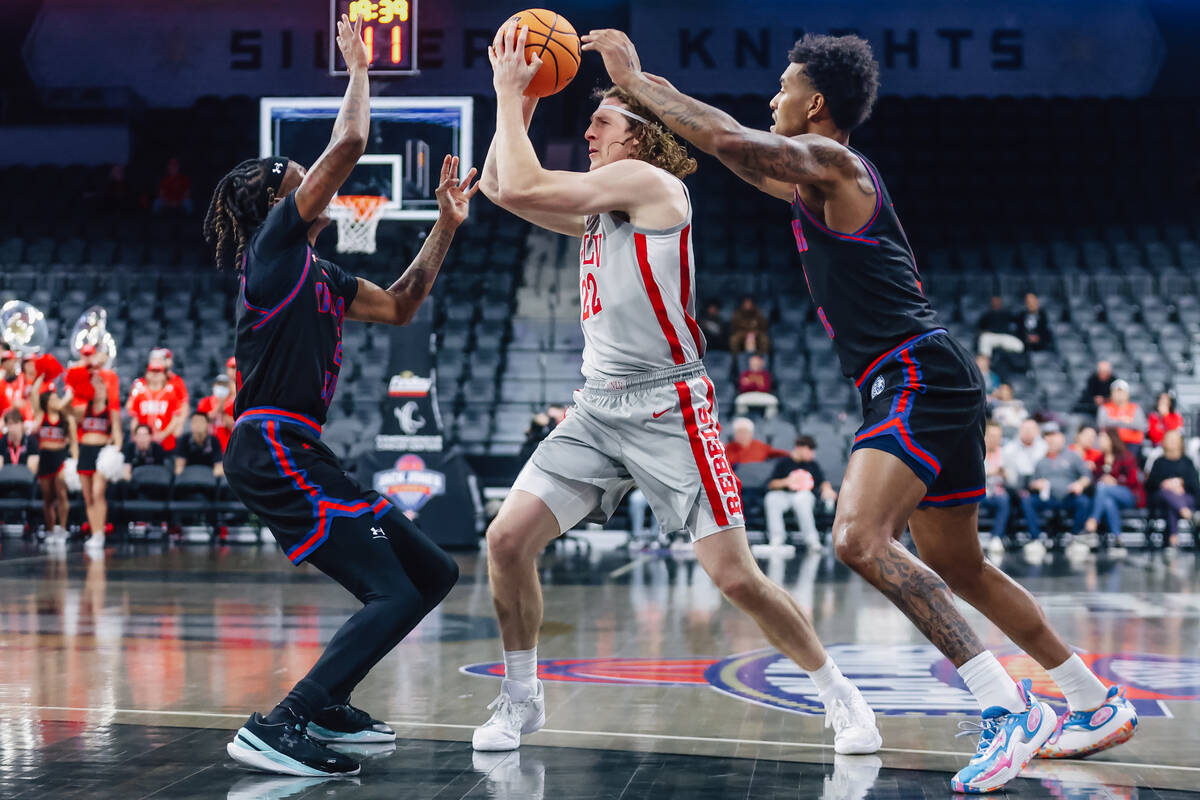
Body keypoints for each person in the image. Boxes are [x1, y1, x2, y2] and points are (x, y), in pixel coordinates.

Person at [583, 28, 1138, 791]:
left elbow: (721, 137)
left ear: (814, 103)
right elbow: (732, 150)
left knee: (857, 538)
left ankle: (1008, 709)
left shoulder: (835, 163)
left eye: (783, 88)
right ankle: (1090, 699)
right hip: (929, 374)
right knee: (958, 565)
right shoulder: (815, 180)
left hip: (912, 372)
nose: (770, 98)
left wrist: (635, 80)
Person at [474, 23, 881, 758]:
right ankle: (521, 696)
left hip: (670, 405)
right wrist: (524, 103)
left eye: (603, 123)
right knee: (505, 541)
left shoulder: (653, 185)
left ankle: (840, 695)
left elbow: (526, 182)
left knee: (736, 577)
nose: (591, 132)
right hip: (598, 407)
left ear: (639, 139)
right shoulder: (601, 207)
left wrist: (509, 94)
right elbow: (503, 188)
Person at [205, 15, 467, 778]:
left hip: (300, 448)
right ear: (279, 205)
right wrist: (360, 71)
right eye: (300, 180)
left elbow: (401, 303)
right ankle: (283, 720)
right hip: (271, 445)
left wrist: (446, 225)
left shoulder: (322, 275)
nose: (315, 180)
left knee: (431, 575)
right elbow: (348, 145)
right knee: (389, 593)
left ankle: (327, 704)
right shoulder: (272, 252)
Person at [1020, 424, 1092, 546]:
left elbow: (1087, 476)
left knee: (1083, 501)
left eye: (1055, 436)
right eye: (1049, 437)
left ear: (1062, 438)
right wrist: (1036, 484)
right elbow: (1032, 482)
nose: (1052, 440)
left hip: (1069, 497)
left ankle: (1077, 537)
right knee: (1027, 500)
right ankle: (1035, 539)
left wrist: (1080, 484)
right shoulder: (1041, 461)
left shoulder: (1073, 456)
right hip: (1049, 498)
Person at [763, 435, 836, 550]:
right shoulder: (783, 463)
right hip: (784, 494)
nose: (812, 454)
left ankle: (812, 540)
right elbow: (771, 484)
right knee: (771, 498)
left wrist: (827, 489)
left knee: (802, 499)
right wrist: (786, 482)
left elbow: (823, 481)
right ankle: (776, 538)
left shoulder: (812, 464)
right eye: (809, 450)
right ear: (800, 448)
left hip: (803, 495)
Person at [75, 371, 121, 550]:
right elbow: (70, 419)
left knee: (97, 494)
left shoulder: (112, 411)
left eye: (100, 384)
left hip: (101, 455)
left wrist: (113, 453)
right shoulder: (82, 409)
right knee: (88, 498)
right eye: (93, 385)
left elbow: (117, 435)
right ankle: (94, 532)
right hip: (85, 452)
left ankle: (100, 533)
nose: (97, 388)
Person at [30, 377, 76, 544]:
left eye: (57, 398)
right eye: (52, 399)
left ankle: (62, 529)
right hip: (45, 458)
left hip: (60, 458)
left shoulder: (67, 420)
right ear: (46, 402)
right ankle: (50, 531)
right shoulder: (41, 415)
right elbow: (34, 393)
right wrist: (42, 375)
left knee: (61, 494)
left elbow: (74, 443)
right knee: (48, 498)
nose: (56, 401)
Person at [1083, 428, 1143, 547]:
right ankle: (1117, 538)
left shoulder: (1126, 456)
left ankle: (1093, 520)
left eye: (1103, 438)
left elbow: (1133, 480)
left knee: (1103, 488)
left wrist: (1116, 482)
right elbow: (1094, 484)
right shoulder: (1099, 460)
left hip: (1129, 494)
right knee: (1108, 502)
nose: (1100, 441)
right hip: (1107, 496)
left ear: (1112, 440)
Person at [1145, 429, 1199, 547]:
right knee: (1167, 493)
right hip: (1162, 498)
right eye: (1169, 439)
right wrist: (1164, 483)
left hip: (1183, 498)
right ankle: (1189, 515)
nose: (1172, 442)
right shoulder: (1159, 462)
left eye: (1175, 440)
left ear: (1180, 442)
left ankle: (1172, 538)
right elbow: (1150, 484)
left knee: (1172, 503)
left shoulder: (1187, 462)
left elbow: (1194, 485)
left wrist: (1181, 484)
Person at [127, 356, 185, 452]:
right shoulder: (140, 393)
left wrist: (163, 434)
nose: (155, 374)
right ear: (147, 374)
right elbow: (135, 418)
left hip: (166, 442)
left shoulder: (171, 393)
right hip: (144, 442)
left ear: (164, 375)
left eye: (158, 372)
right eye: (152, 371)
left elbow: (175, 419)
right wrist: (135, 435)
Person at [981, 422, 1011, 551]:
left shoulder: (1005, 454)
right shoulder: (977, 451)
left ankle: (996, 538)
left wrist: (1006, 476)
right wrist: (987, 473)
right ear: (985, 435)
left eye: (998, 436)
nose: (995, 439)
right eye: (992, 435)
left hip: (996, 493)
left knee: (1004, 499)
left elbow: (1013, 481)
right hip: (979, 491)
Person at [1097, 380, 1146, 459]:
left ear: (1127, 394)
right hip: (1111, 442)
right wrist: (1123, 420)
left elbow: (1141, 426)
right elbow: (1102, 424)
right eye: (1116, 392)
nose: (1119, 394)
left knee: (1128, 459)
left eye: (1122, 392)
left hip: (1132, 442)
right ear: (1111, 394)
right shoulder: (1104, 408)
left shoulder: (1135, 408)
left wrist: (1114, 421)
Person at [175, 411, 224, 478]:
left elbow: (218, 466)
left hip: (208, 478)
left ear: (207, 424)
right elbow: (179, 467)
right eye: (195, 422)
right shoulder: (184, 439)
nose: (198, 424)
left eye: (201, 421)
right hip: (188, 477)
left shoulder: (214, 441)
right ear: (191, 424)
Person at [196, 375, 236, 451]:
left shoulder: (233, 404)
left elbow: (233, 427)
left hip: (228, 447)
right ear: (214, 386)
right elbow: (201, 423)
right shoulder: (205, 402)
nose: (221, 388)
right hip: (209, 445)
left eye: (224, 385)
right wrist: (219, 405)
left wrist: (224, 409)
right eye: (219, 384)